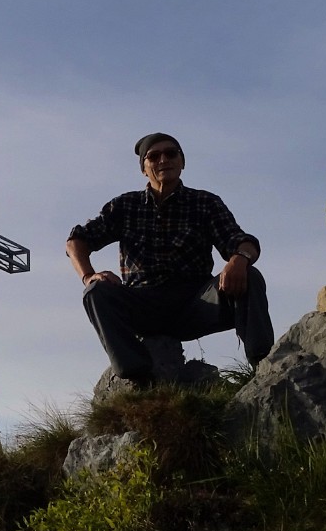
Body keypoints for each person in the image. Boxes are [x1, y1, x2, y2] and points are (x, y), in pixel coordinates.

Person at [65, 133, 274, 386]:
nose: (163, 159)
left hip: (196, 302)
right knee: (95, 292)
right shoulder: (125, 206)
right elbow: (76, 241)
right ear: (144, 168)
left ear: (182, 161)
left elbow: (241, 241)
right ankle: (139, 376)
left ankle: (265, 366)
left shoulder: (205, 203)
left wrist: (239, 258)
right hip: (142, 303)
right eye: (153, 156)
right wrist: (89, 275)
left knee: (249, 275)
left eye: (171, 153)